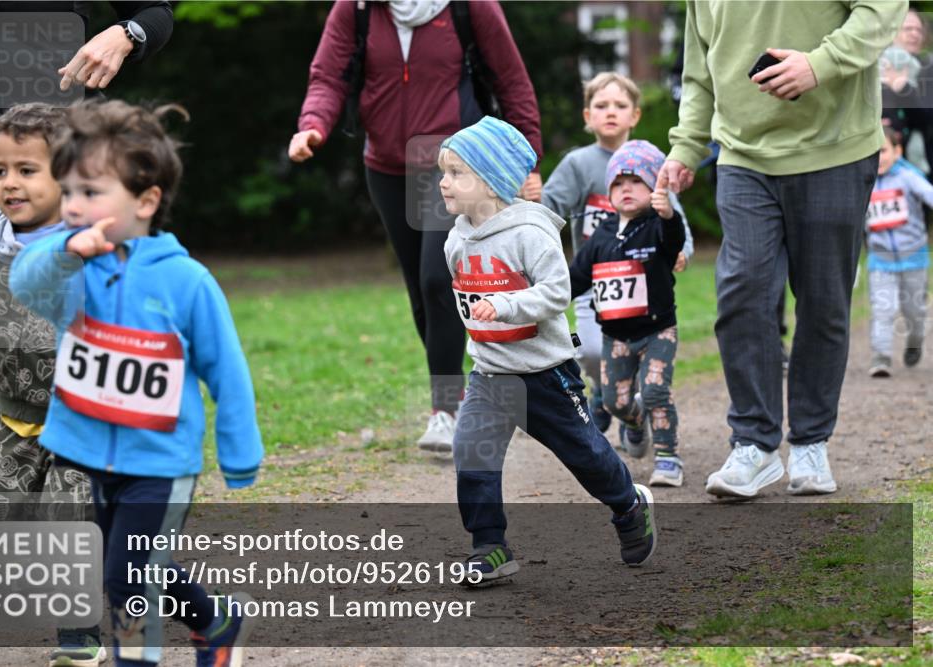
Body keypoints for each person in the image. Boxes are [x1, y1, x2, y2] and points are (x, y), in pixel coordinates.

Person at [9, 100, 263, 667]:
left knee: (127, 579)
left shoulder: (187, 282)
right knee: (132, 564)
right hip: (90, 455)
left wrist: (240, 454)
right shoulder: (72, 269)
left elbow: (227, 371)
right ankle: (216, 622)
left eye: (91, 191)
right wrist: (66, 250)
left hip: (160, 465)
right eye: (68, 191)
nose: (74, 206)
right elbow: (24, 283)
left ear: (145, 201)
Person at [662, 1, 907, 498]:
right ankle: (753, 443)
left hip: (835, 149)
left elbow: (883, 10)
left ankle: (811, 442)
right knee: (743, 289)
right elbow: (700, 69)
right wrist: (687, 144)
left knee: (823, 301)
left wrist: (819, 64)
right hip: (743, 155)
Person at [289, 0, 542, 451]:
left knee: (437, 280)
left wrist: (530, 160)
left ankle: (447, 409)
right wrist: (313, 125)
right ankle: (475, 387)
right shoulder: (358, 8)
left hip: (451, 161)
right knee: (421, 294)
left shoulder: (468, 6)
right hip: (386, 166)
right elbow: (327, 76)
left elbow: (512, 80)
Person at [0, 1, 174, 427]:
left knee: (90, 326)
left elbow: (154, 11)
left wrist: (125, 34)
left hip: (67, 159)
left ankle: (87, 444)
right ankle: (35, 434)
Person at [439, 116, 656, 584]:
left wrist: (506, 305)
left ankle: (628, 505)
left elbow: (557, 293)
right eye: (444, 172)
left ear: (492, 181)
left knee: (586, 456)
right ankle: (489, 547)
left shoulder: (531, 232)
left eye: (456, 172)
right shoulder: (456, 238)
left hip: (545, 373)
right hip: (490, 373)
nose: (443, 182)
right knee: (471, 453)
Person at [0, 103, 106, 667]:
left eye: (27, 170)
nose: (9, 183)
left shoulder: (90, 243)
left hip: (78, 417)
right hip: (11, 417)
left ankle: (79, 636)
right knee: (11, 522)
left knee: (67, 517)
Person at [542, 72, 694, 435]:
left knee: (642, 351)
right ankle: (604, 390)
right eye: (601, 105)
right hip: (597, 280)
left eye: (620, 105)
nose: (610, 112)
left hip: (645, 283)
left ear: (635, 115)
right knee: (591, 351)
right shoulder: (577, 164)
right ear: (587, 116)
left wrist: (683, 249)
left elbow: (673, 212)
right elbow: (548, 210)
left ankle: (629, 410)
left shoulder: (650, 159)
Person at [569, 141, 686, 487]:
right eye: (618, 183)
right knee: (614, 402)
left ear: (654, 188)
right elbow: (575, 277)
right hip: (616, 336)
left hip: (657, 330)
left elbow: (675, 240)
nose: (627, 189)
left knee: (655, 391)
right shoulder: (601, 234)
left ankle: (668, 457)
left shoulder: (658, 225)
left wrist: (669, 215)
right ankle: (634, 422)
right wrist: (542, 297)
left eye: (637, 181)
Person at [866, 126, 930, 377]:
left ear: (897, 151)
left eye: (883, 151)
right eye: (873, 152)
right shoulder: (864, 181)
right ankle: (881, 357)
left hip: (914, 257)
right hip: (880, 260)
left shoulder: (908, 176)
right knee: (883, 309)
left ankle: (915, 341)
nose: (879, 158)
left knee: (915, 312)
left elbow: (928, 193)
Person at [881, 9, 933, 176]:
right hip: (880, 158)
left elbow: (927, 119)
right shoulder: (876, 65)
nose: (914, 34)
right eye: (908, 28)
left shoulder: (927, 67)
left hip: (919, 162)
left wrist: (903, 88)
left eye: (919, 30)